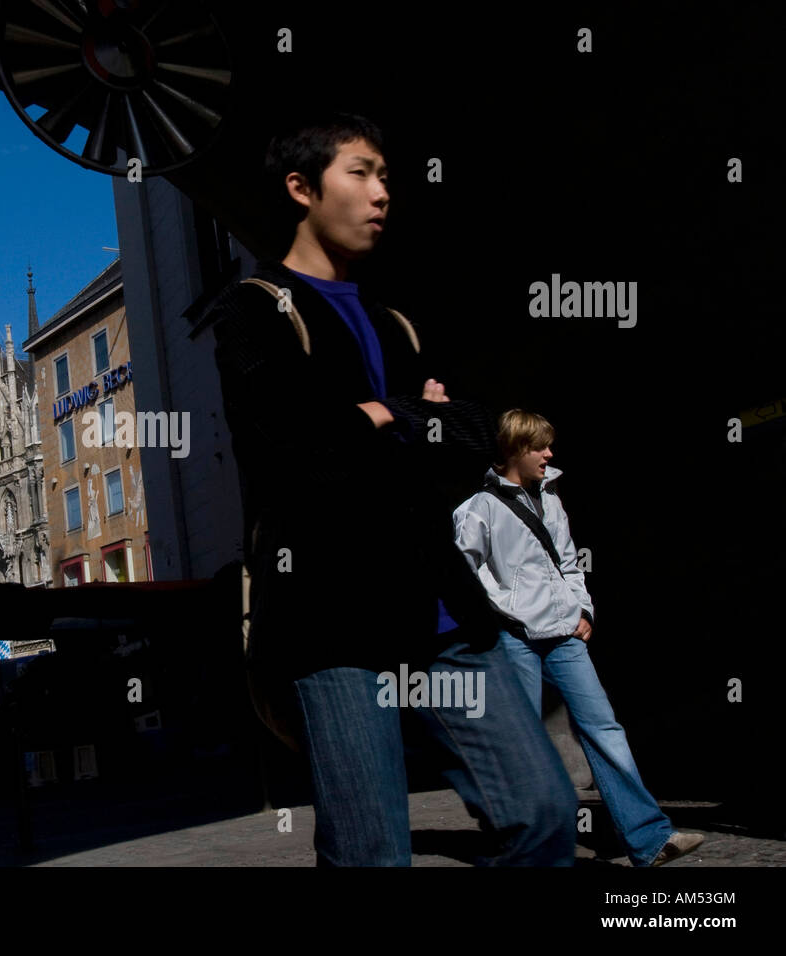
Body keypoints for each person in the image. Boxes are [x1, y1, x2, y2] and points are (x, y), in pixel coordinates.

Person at [208, 111, 578, 866]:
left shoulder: (395, 320)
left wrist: (383, 416)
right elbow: (292, 458)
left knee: (544, 811)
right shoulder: (254, 310)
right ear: (301, 188)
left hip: (443, 613)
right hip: (333, 621)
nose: (382, 193)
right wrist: (406, 419)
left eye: (385, 176)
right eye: (361, 173)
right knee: (371, 852)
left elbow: (474, 440)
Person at [452, 409, 705, 866]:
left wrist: (582, 608)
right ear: (514, 449)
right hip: (513, 638)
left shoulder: (551, 497)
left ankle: (650, 840)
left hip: (565, 633)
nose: (549, 454)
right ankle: (529, 848)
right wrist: (495, 621)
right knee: (523, 744)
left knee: (604, 727)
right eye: (539, 447)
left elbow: (568, 561)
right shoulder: (478, 509)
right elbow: (462, 577)